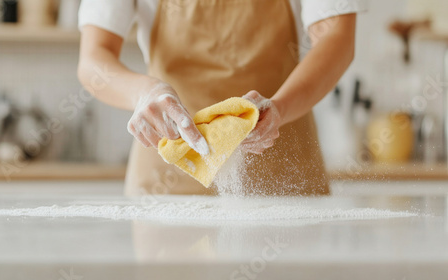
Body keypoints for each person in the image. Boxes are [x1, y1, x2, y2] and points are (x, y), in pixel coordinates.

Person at [77, 0, 366, 196]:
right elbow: (93, 57)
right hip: (167, 188)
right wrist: (144, 93)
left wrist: (281, 106)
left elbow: (336, 36)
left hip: (282, 180)